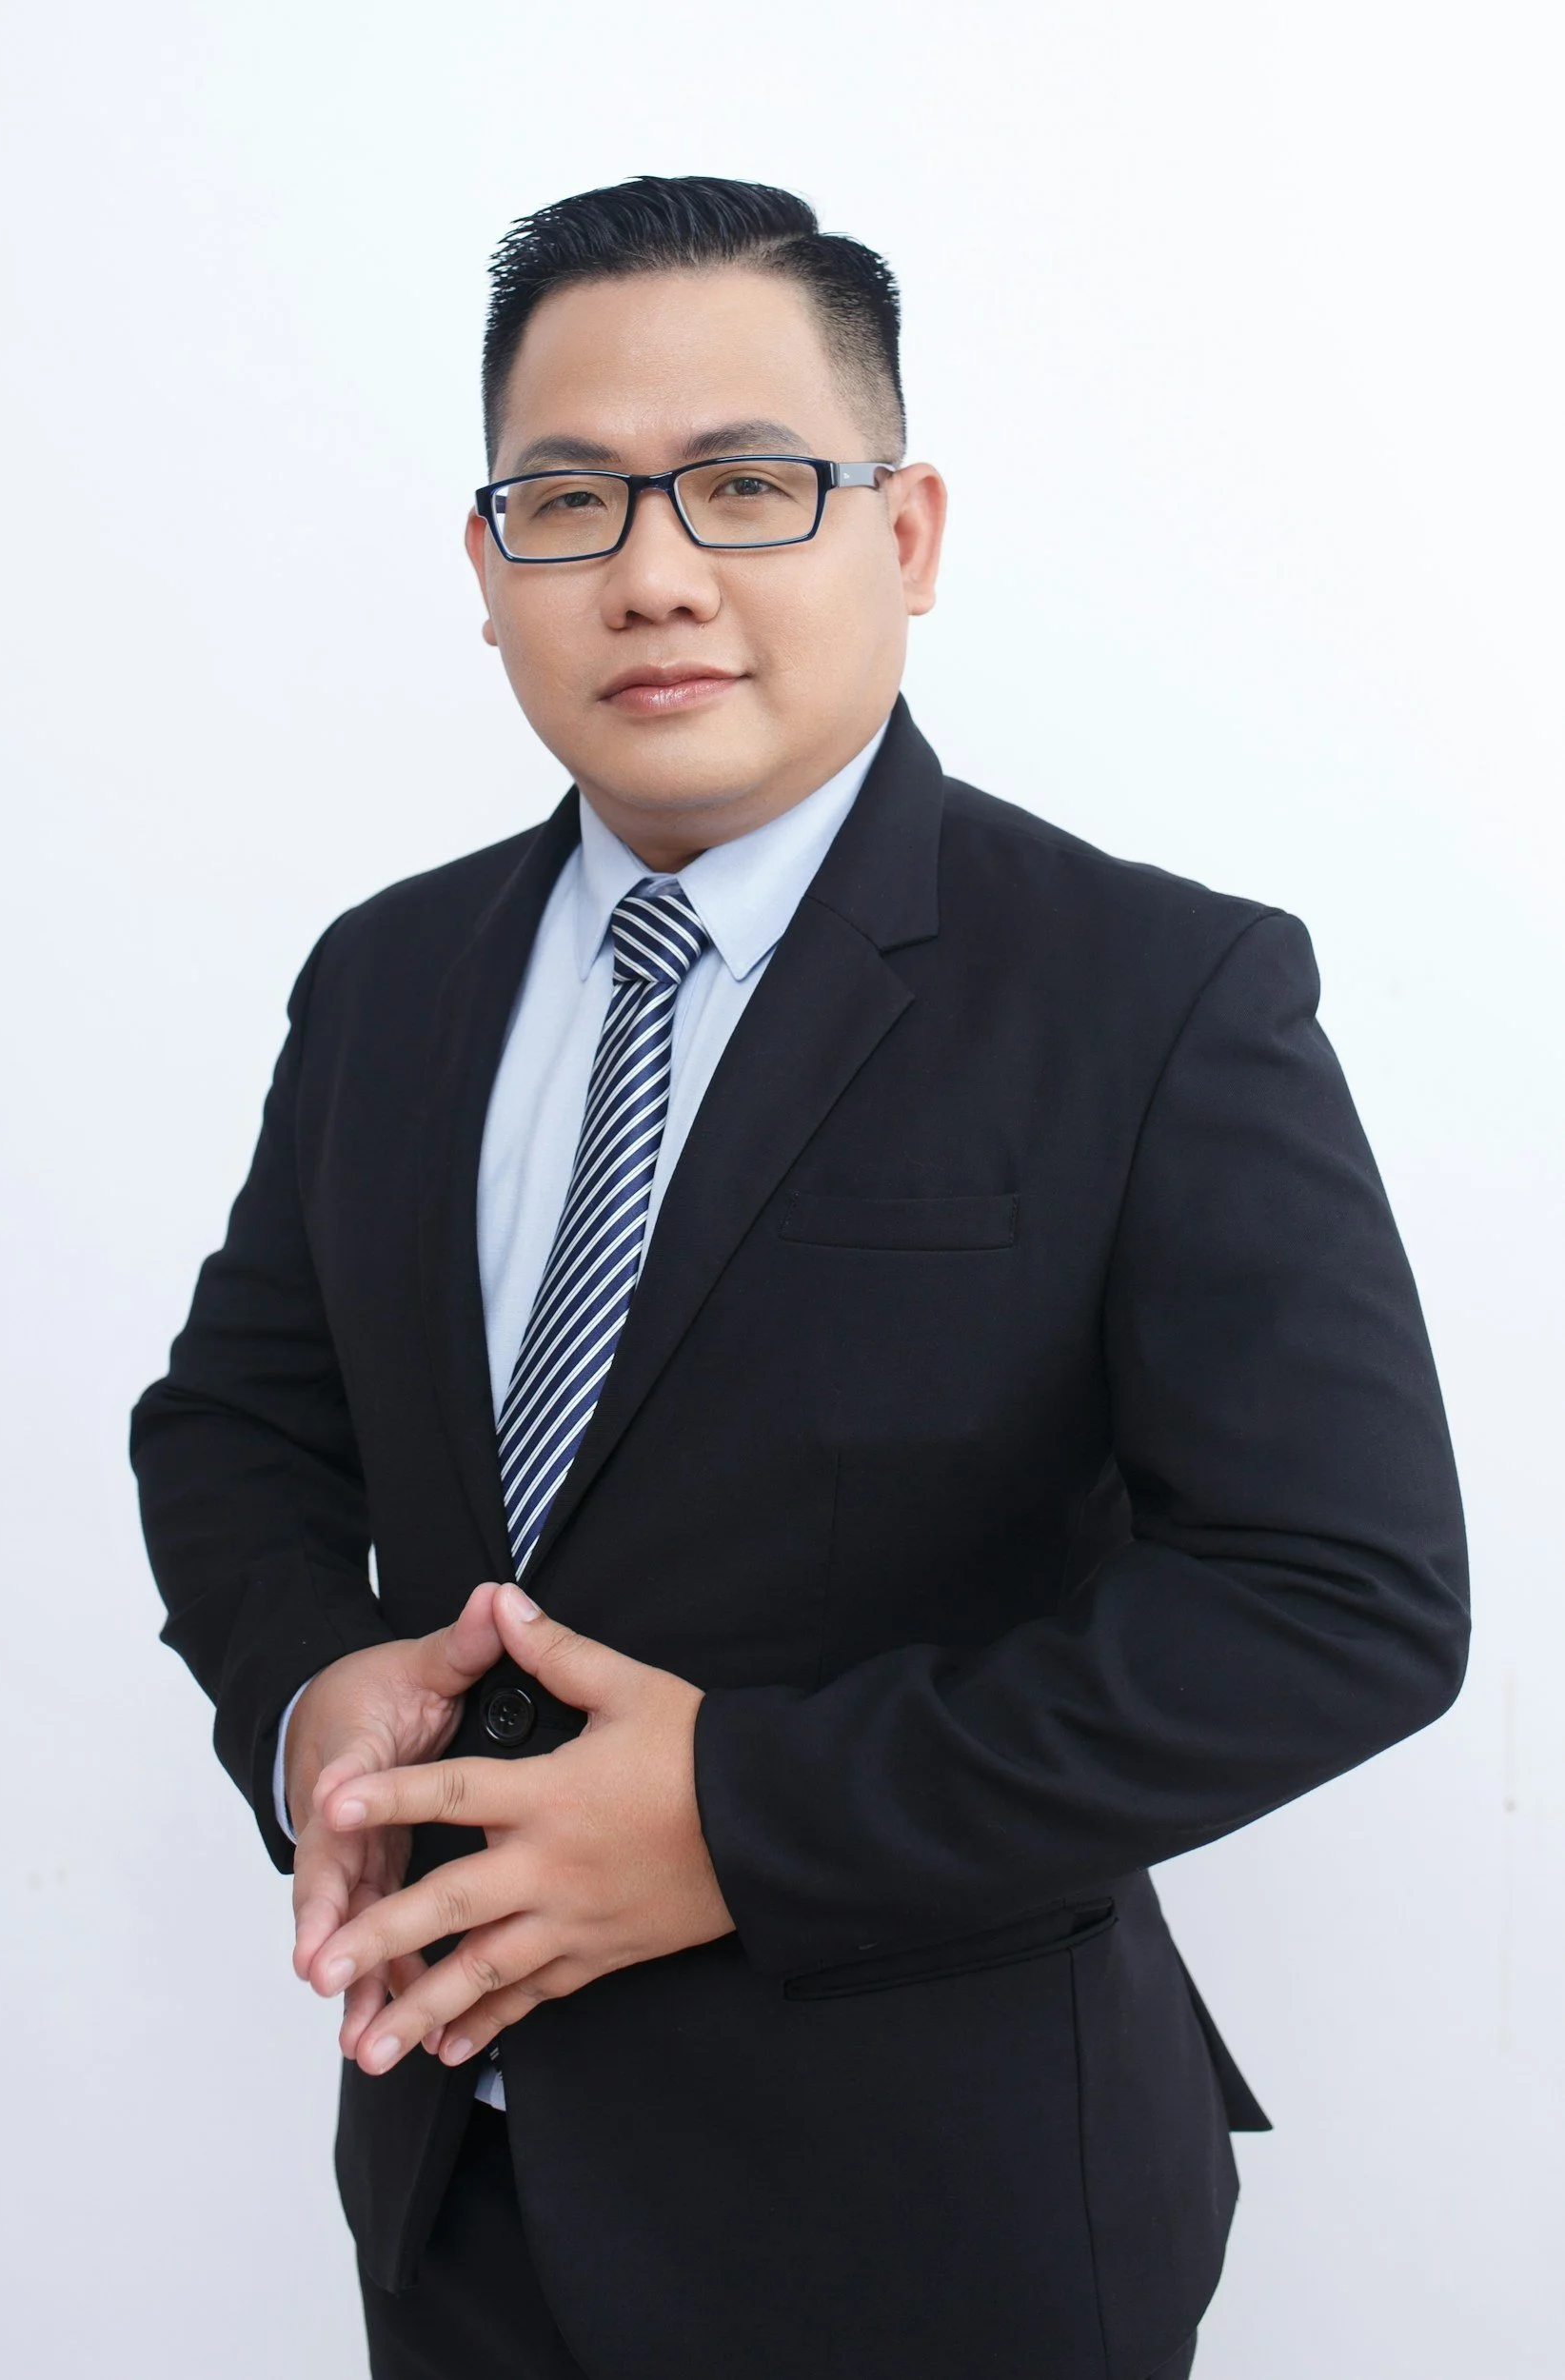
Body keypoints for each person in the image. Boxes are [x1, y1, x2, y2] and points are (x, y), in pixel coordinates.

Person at [130, 175, 1469, 2380]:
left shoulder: (1150, 990)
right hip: (457, 2180)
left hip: (931, 2219)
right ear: (487, 571)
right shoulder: (382, 980)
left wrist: (734, 1817)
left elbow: (1338, 1596)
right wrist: (309, 1696)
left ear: (906, 532)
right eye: (567, 501)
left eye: (747, 484)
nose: (653, 571)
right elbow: (235, 1423)